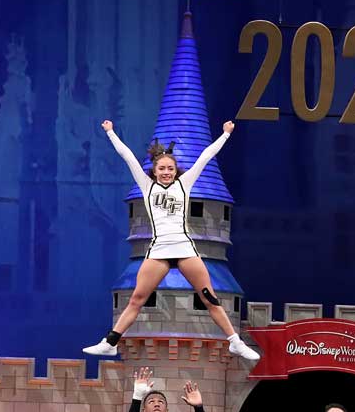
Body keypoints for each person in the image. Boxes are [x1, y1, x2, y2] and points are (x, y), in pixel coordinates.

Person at [83, 120, 259, 361]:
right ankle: (110, 342)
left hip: (185, 249)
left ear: (175, 171)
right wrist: (110, 132)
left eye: (170, 169)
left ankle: (235, 341)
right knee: (137, 298)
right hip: (158, 250)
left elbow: (206, 156)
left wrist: (225, 135)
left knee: (209, 298)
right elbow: (127, 156)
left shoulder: (184, 186)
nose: (166, 172)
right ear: (154, 171)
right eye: (162, 169)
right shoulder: (147, 187)